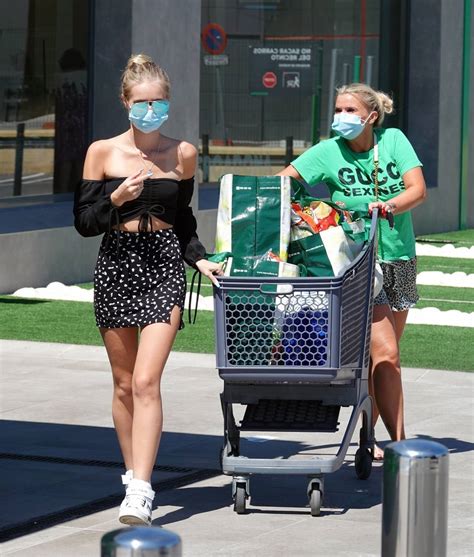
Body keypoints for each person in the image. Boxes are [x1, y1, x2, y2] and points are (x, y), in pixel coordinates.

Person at [73, 53, 222, 525]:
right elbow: (83, 222)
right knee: (121, 384)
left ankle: (140, 490)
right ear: (125, 102)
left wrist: (199, 257)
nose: (150, 110)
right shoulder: (102, 152)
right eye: (142, 102)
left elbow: (183, 221)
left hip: (162, 267)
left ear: (168, 103)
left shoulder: (183, 154)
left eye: (158, 102)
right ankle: (132, 472)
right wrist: (115, 199)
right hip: (117, 262)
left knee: (144, 380)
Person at [277, 83, 427, 460]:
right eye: (338, 109)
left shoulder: (393, 140)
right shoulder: (328, 151)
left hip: (400, 258)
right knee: (383, 352)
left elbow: (417, 189)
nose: (340, 117)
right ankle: (399, 440)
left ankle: (370, 435)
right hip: (359, 262)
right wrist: (316, 212)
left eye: (349, 110)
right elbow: (282, 183)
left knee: (386, 359)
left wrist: (389, 204)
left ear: (371, 116)